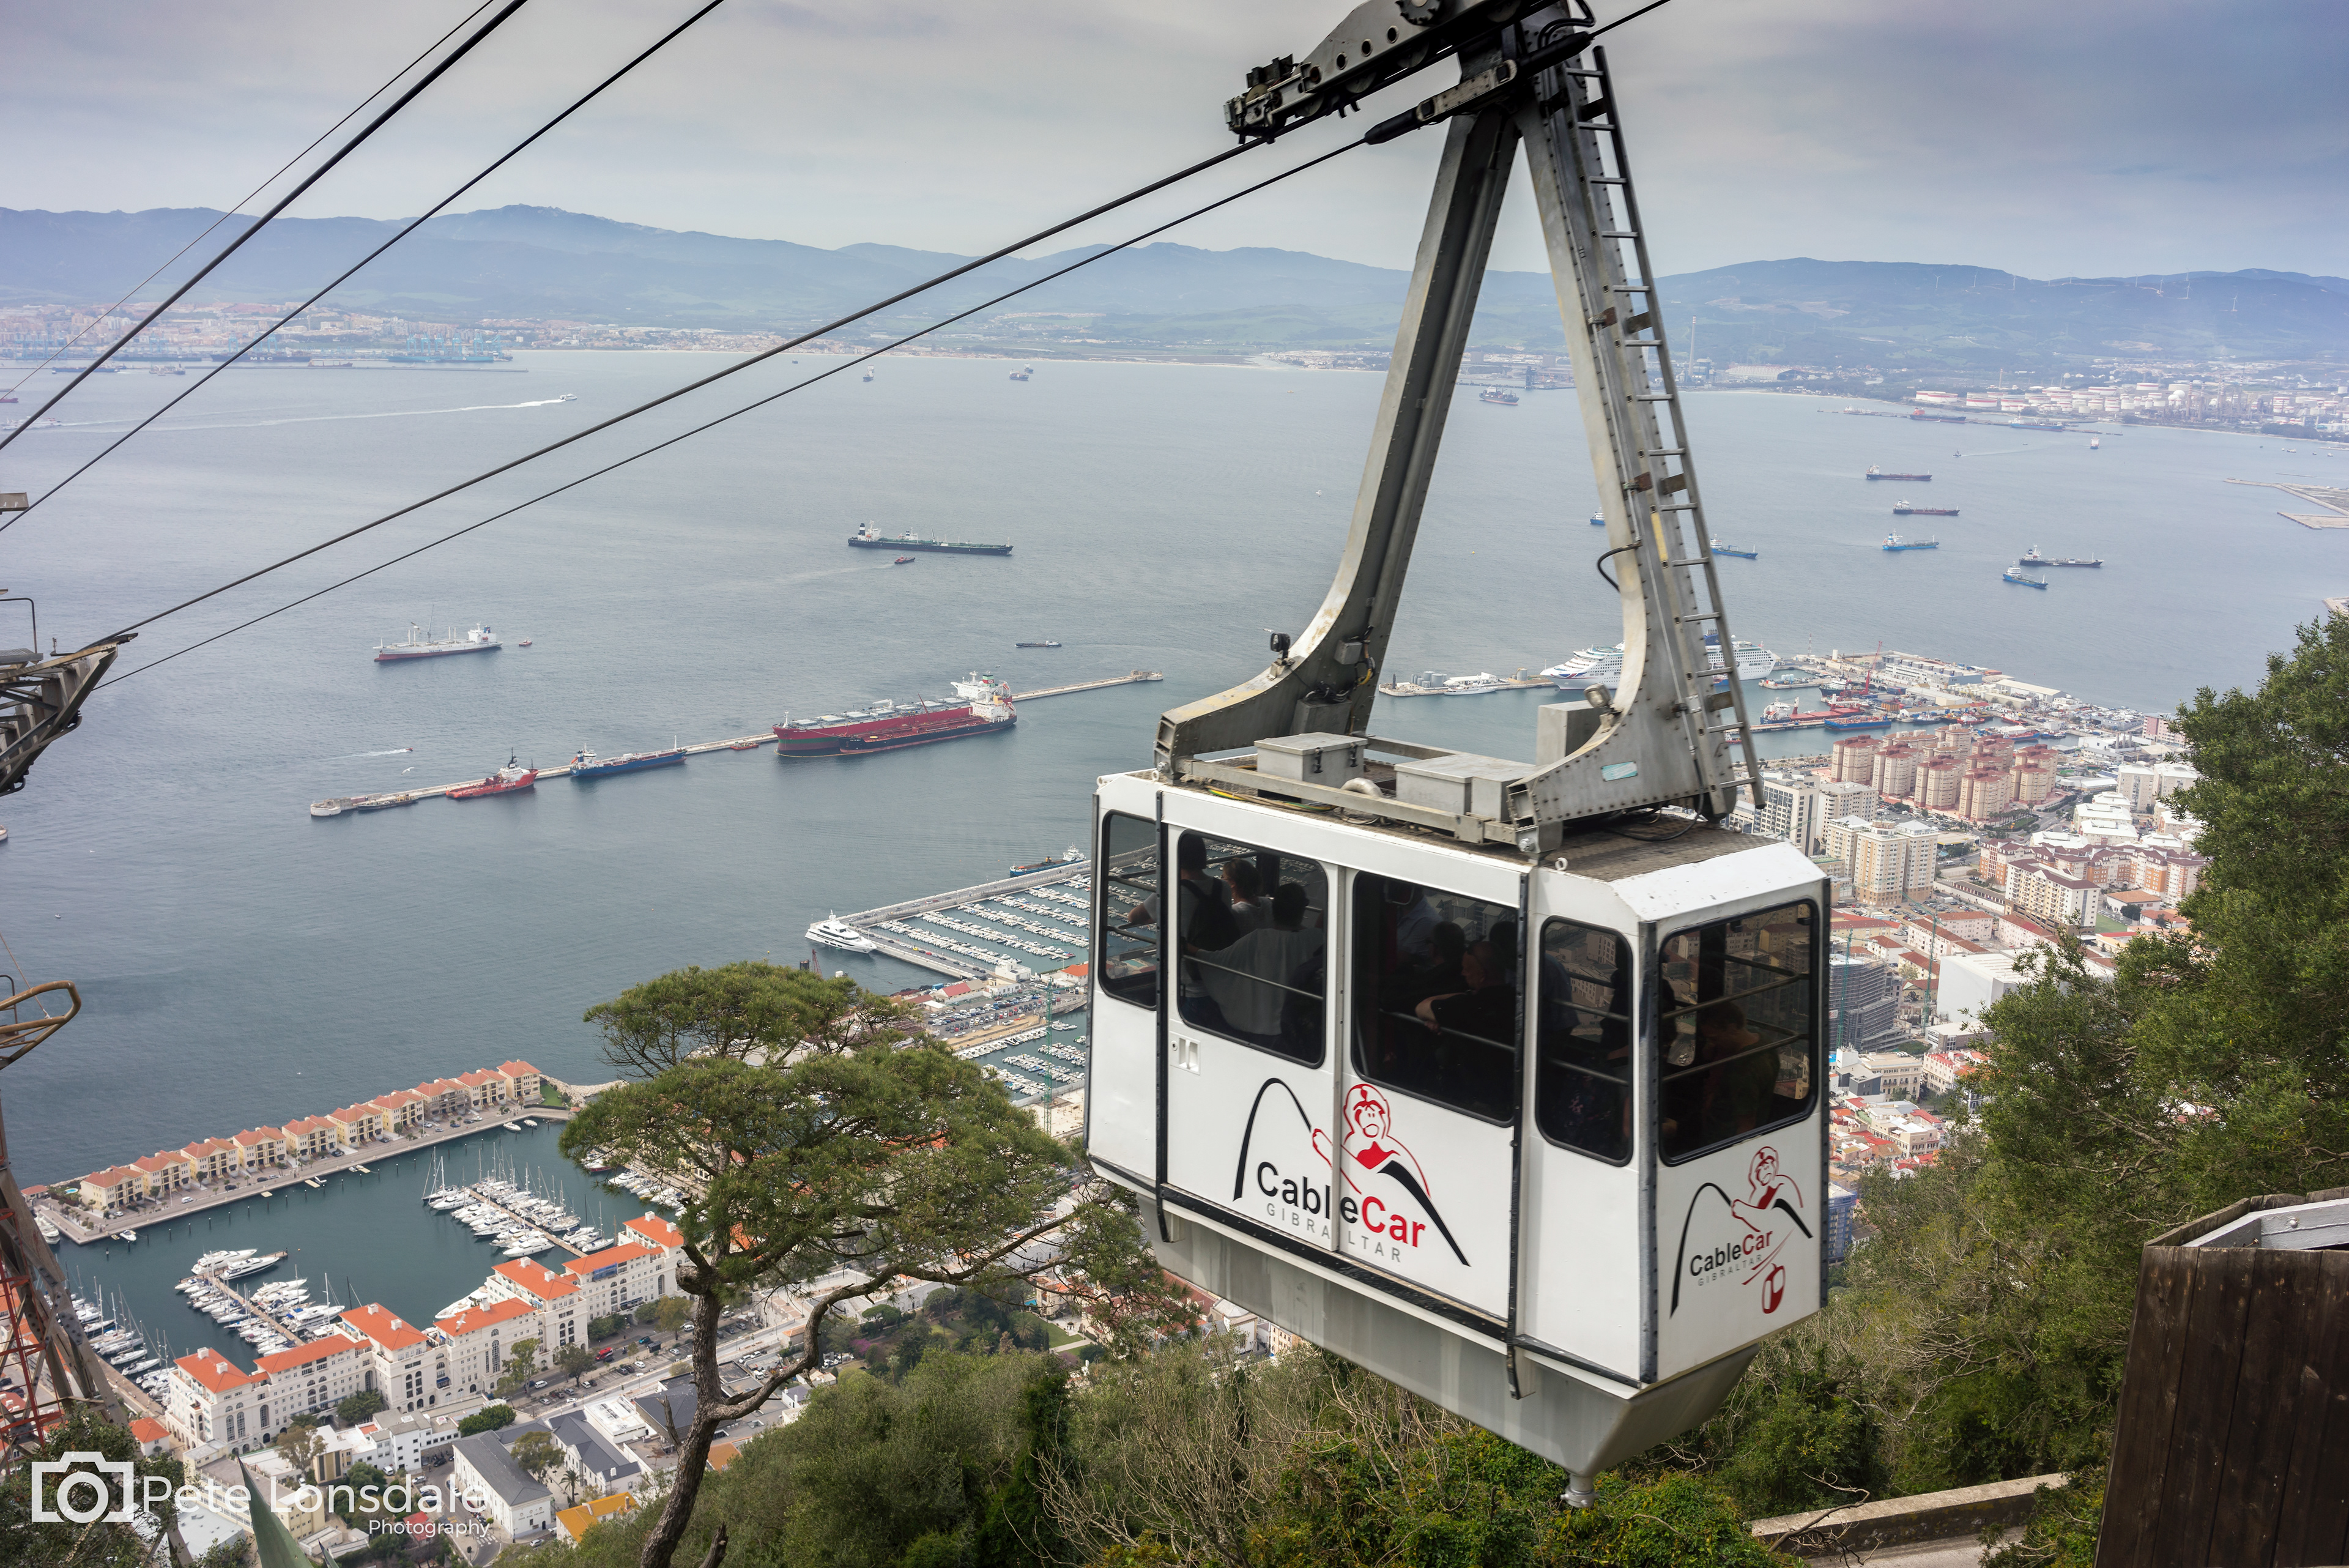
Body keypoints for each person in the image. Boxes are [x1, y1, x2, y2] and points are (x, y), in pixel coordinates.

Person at [1195, 883, 1324, 1044]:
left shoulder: (1257, 939)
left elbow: (1216, 961)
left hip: (1256, 1028)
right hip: (1297, 1029)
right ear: (1302, 908)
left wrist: (1188, 948)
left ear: (1274, 909)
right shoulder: (1316, 938)